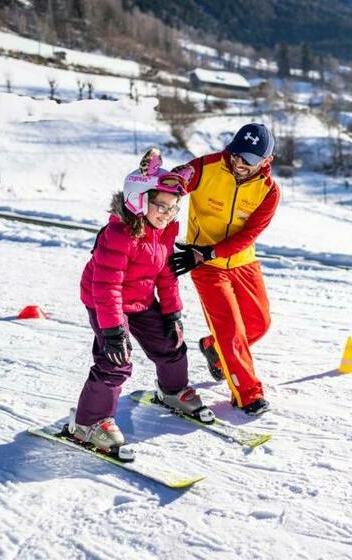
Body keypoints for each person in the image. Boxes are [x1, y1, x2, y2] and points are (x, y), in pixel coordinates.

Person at [70, 148, 213, 452]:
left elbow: (165, 274)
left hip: (141, 299)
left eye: (173, 207)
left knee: (170, 342)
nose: (167, 213)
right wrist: (112, 331)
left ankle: (172, 391)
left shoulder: (164, 231)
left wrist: (173, 313)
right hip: (105, 300)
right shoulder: (119, 233)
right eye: (160, 205)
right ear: (139, 198)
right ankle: (88, 422)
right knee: (116, 360)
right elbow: (106, 285)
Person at [169, 123, 280, 416]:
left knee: (259, 323)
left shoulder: (269, 191)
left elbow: (249, 234)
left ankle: (212, 347)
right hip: (204, 264)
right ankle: (248, 393)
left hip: (242, 260)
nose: (239, 163)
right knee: (229, 329)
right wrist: (167, 181)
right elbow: (177, 181)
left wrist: (214, 250)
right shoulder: (207, 167)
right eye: (236, 155)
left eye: (249, 161)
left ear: (266, 162)